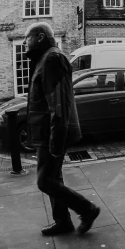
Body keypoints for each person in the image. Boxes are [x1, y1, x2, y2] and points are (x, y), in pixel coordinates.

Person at [24, 22, 101, 235]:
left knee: (45, 181)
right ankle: (63, 222)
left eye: (27, 38)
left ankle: (87, 209)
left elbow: (59, 104)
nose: (25, 42)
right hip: (45, 133)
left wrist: (56, 140)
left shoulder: (52, 59)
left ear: (40, 37)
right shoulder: (45, 58)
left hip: (51, 133)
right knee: (53, 178)